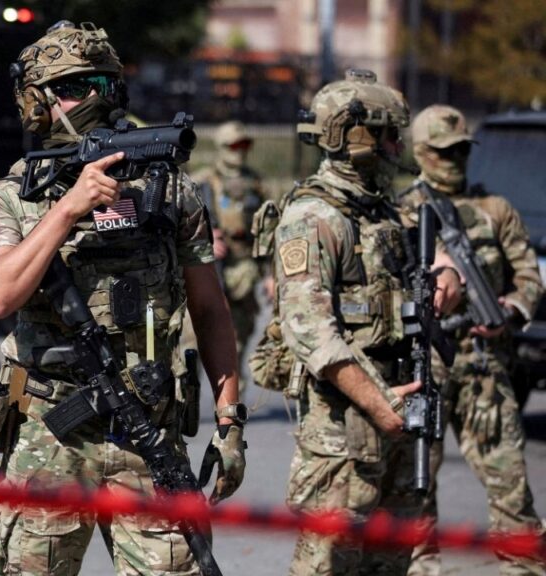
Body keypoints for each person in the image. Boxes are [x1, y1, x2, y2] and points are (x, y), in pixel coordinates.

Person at [0, 21, 245, 575]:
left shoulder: (170, 193)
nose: (90, 99)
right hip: (47, 433)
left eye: (102, 85)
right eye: (70, 88)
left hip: (148, 431)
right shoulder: (4, 198)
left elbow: (211, 312)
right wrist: (68, 209)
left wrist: (230, 421)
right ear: (36, 103)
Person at [273, 70, 462, 574]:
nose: (399, 146)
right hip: (344, 429)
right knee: (330, 561)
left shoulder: (385, 213)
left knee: (392, 562)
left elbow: (441, 262)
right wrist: (379, 403)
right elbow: (310, 331)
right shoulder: (315, 218)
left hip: (399, 415)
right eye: (390, 134)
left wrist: (447, 277)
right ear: (356, 137)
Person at [398, 105, 545, 576]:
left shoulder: (496, 209)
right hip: (425, 369)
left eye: (462, 149)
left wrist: (508, 312)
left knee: (510, 485)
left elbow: (528, 277)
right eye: (445, 151)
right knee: (416, 488)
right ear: (420, 152)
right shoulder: (401, 211)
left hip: (484, 367)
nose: (456, 158)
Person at [195, 120, 271, 376]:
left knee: (238, 338)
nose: (239, 150)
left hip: (244, 268)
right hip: (212, 268)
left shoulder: (255, 183)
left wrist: (271, 274)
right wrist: (206, 238)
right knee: (193, 341)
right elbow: (182, 225)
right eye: (233, 145)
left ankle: (232, 406)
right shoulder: (203, 182)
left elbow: (268, 229)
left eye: (243, 145)